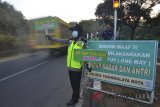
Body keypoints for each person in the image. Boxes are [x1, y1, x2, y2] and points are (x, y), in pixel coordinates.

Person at [47, 24, 86, 105]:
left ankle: (74, 99)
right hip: (70, 67)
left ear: (78, 31)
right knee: (73, 84)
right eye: (72, 31)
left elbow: (88, 54)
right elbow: (61, 40)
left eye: (74, 30)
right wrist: (52, 38)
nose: (73, 32)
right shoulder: (70, 40)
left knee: (76, 85)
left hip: (77, 68)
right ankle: (76, 97)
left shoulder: (83, 41)